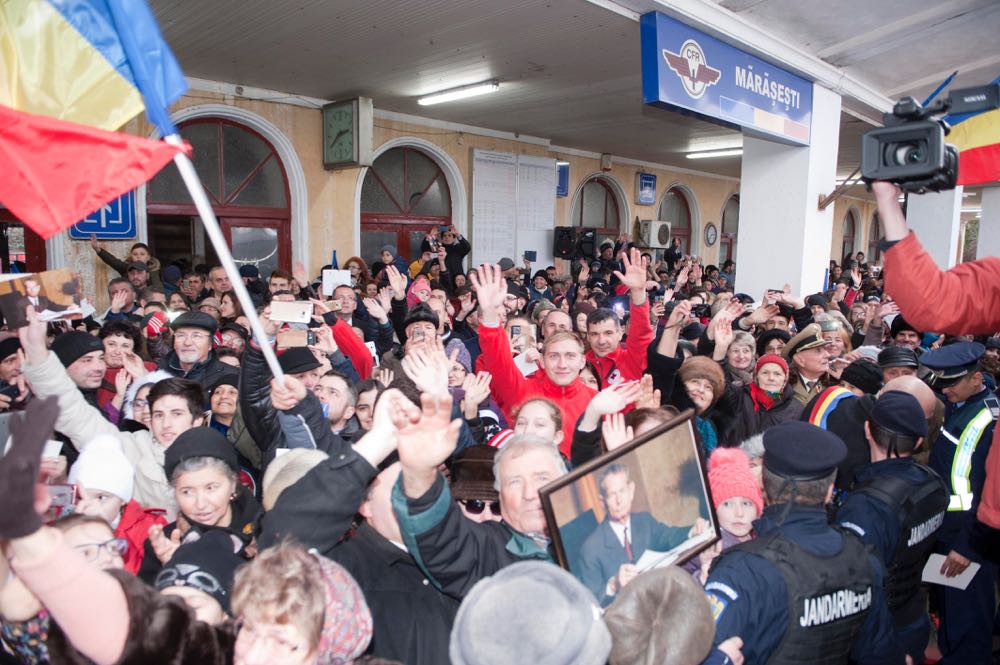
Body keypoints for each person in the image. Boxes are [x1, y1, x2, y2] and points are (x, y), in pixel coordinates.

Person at [703, 421, 905, 664]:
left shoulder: (741, 572)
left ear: (763, 485)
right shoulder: (864, 560)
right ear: (830, 492)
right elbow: (880, 653)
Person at [835, 391, 948, 661]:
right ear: (920, 440)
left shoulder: (867, 505)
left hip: (876, 632)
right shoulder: (932, 483)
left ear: (867, 429)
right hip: (912, 612)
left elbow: (856, 584)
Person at [919, 341, 997, 665]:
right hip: (948, 535)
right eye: (941, 382)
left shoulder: (989, 421)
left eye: (951, 383)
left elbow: (990, 493)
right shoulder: (961, 403)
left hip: (970, 543)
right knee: (952, 620)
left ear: (976, 378)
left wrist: (968, 547)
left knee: (969, 630)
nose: (944, 390)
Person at [470, 264, 596, 457]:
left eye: (570, 356)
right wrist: (489, 313)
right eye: (554, 356)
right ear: (542, 361)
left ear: (582, 361)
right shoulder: (523, 392)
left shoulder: (596, 402)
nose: (562, 364)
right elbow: (498, 361)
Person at [138, 427, 262, 583]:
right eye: (187, 492)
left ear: (233, 485)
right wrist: (170, 572)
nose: (200, 504)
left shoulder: (265, 535)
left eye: (211, 488)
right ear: (174, 493)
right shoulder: (164, 545)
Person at [577, 462, 692, 606]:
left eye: (623, 491)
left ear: (631, 491)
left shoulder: (645, 521)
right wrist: (613, 585)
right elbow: (591, 605)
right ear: (602, 502)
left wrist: (694, 530)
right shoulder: (590, 549)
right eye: (612, 495)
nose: (619, 500)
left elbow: (670, 536)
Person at [67, 436, 167, 574]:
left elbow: (138, 580)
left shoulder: (151, 527)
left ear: (123, 499)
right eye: (80, 497)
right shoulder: (61, 529)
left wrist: (104, 530)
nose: (89, 505)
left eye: (101, 498)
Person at [585, 248, 654, 388]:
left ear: (620, 332)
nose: (601, 340)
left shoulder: (632, 359)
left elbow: (641, 333)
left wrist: (638, 292)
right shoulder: (578, 363)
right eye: (594, 334)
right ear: (587, 336)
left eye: (608, 333)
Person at [158, 311, 237, 389]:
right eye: (181, 335)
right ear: (174, 343)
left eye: (197, 336)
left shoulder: (231, 375)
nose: (187, 342)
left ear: (210, 344)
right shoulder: (160, 372)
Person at [782, 323, 832, 405]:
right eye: (818, 350)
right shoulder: (783, 385)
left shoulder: (835, 382)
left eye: (825, 349)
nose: (827, 355)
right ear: (800, 360)